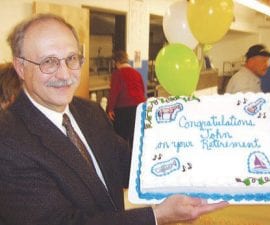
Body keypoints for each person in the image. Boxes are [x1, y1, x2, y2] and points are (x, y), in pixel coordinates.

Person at [0, 14, 228, 225]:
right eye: (48, 62)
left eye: (71, 58)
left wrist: (194, 162)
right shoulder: (8, 140)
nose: (65, 74)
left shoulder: (88, 112)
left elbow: (128, 164)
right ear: (20, 66)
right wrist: (157, 215)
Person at [107, 50, 146, 150]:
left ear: (116, 62)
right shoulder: (136, 73)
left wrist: (110, 109)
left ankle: (123, 160)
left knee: (121, 137)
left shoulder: (117, 73)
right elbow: (142, 89)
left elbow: (114, 92)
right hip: (139, 107)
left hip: (124, 109)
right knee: (135, 136)